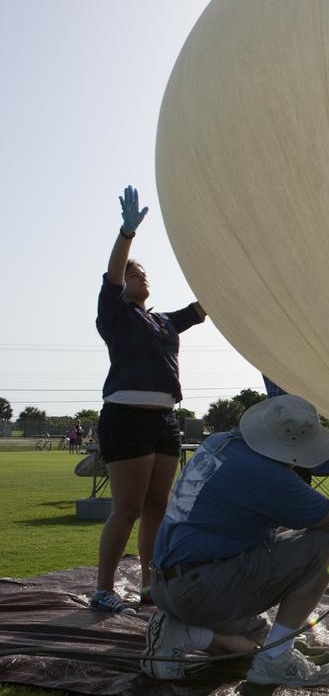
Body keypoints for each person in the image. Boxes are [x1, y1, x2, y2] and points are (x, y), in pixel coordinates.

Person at [141, 394, 329, 684]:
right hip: (200, 589)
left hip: (167, 584)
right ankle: (275, 661)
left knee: (258, 637)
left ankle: (186, 634)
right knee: (322, 545)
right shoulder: (266, 475)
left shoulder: (219, 443)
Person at [91, 185, 206, 616]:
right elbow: (114, 274)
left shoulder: (163, 321)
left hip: (164, 423)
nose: (144, 278)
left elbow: (202, 307)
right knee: (128, 508)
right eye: (137, 275)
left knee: (158, 507)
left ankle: (149, 584)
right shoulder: (116, 314)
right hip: (124, 420)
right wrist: (126, 235)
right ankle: (103, 589)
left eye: (146, 275)